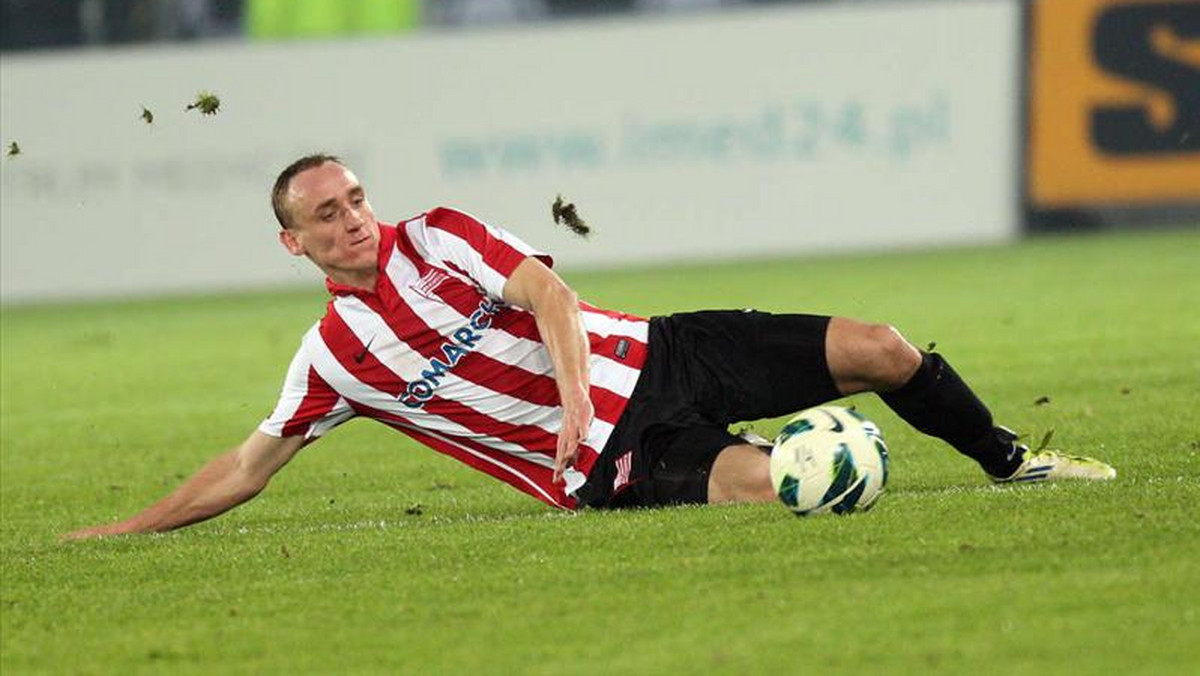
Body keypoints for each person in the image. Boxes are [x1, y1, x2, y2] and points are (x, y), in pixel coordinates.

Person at [65, 154, 1115, 539]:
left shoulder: (438, 233)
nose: (355, 220)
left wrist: (575, 391)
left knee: (883, 346)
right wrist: (123, 527)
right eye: (327, 216)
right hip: (608, 462)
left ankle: (1013, 461)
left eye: (356, 198)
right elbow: (248, 465)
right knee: (771, 491)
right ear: (293, 244)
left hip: (660, 356)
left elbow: (548, 294)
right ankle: (790, 452)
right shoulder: (336, 360)